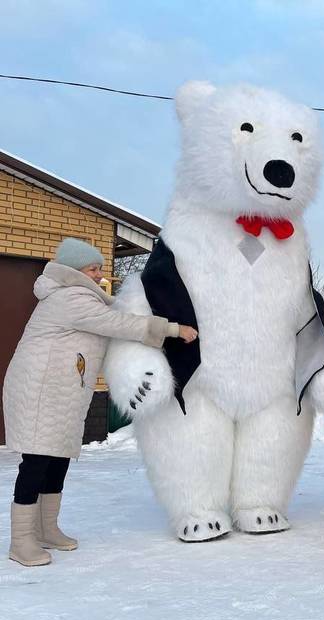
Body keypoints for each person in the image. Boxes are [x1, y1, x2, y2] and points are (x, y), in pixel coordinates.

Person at [3, 237, 198, 567]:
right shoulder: (70, 298)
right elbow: (118, 324)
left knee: (56, 459)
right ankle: (21, 541)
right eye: (93, 269)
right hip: (41, 392)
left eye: (99, 269)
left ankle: (47, 530)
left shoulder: (80, 298)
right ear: (75, 270)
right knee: (37, 462)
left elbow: (110, 319)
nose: (99, 275)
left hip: (60, 392)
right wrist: (174, 329)